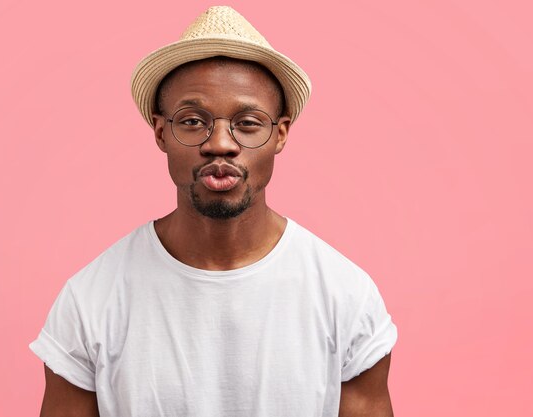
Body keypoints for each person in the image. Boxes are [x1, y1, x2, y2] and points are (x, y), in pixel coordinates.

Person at [30, 6, 397, 417]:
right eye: (192, 121)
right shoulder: (91, 300)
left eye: (248, 123)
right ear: (160, 131)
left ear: (280, 134)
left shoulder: (344, 296)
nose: (220, 144)